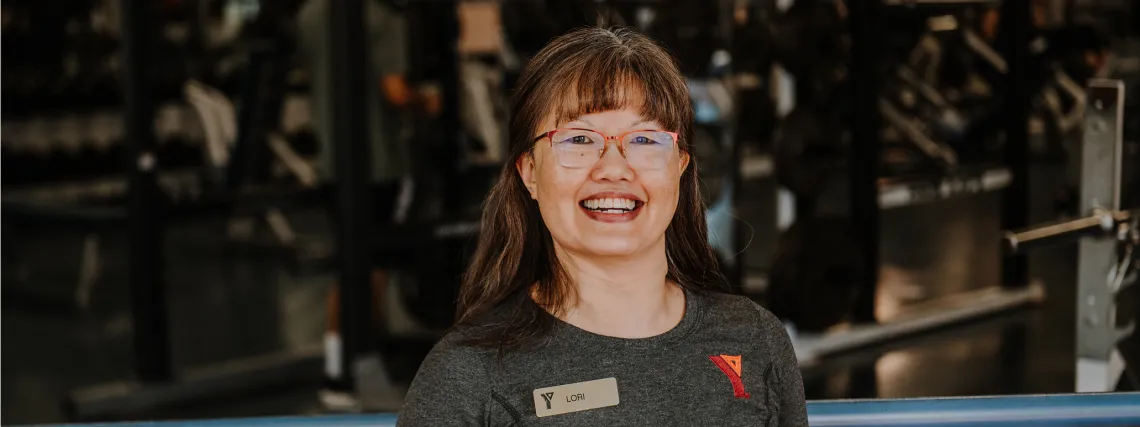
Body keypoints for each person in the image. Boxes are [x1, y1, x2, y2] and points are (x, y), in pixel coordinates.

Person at [397, 27, 807, 426]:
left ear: (680, 168)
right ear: (529, 173)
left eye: (644, 140)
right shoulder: (468, 374)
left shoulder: (754, 339)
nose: (613, 168)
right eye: (579, 139)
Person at [295, 0, 438, 409]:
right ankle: (354, 371)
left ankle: (340, 369)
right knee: (371, 269)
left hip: (333, 162)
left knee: (351, 266)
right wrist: (428, 102)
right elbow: (394, 91)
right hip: (379, 165)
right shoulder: (382, 19)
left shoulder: (310, 14)